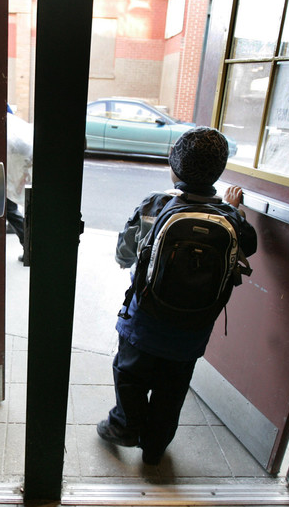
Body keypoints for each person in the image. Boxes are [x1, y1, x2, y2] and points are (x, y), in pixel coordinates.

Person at [96, 126, 257, 466]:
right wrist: (235, 211)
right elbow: (250, 246)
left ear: (174, 166)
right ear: (219, 171)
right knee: (173, 390)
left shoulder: (154, 204)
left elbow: (124, 253)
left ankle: (124, 426)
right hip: (193, 329)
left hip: (144, 323)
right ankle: (155, 448)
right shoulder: (230, 217)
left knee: (129, 374)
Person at [6, 106, 33, 260]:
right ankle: (14, 227)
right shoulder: (6, 112)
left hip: (18, 155)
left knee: (8, 206)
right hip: (21, 153)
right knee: (11, 195)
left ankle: (28, 244)